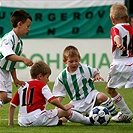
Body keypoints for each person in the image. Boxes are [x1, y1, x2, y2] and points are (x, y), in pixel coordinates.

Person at [8, 61, 93, 126]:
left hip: (22, 122)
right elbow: (52, 100)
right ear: (40, 76)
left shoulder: (22, 87)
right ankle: (89, 121)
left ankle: (55, 122)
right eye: (47, 77)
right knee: (64, 112)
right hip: (37, 118)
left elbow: (12, 105)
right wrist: (64, 107)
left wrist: (11, 122)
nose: (48, 80)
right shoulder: (41, 85)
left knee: (51, 114)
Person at [52, 45, 118, 122]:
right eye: (71, 61)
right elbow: (60, 95)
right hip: (76, 102)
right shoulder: (62, 77)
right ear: (65, 61)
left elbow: (94, 72)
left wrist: (97, 76)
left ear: (79, 58)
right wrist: (57, 108)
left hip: (90, 95)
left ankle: (115, 115)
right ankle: (84, 116)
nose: (74, 63)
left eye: (76, 61)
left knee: (102, 96)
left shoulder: (85, 68)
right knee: (64, 116)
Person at [0, 9, 33, 108]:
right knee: (2, 95)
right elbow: (8, 55)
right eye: (27, 26)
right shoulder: (8, 38)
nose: (29, 29)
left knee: (7, 98)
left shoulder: (19, 42)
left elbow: (12, 63)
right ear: (19, 24)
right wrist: (23, 59)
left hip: (5, 71)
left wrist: (15, 79)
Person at [106, 3, 133, 122]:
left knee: (110, 89)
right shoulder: (131, 28)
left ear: (112, 18)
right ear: (127, 18)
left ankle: (126, 113)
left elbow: (116, 36)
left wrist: (118, 43)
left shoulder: (115, 28)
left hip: (120, 64)